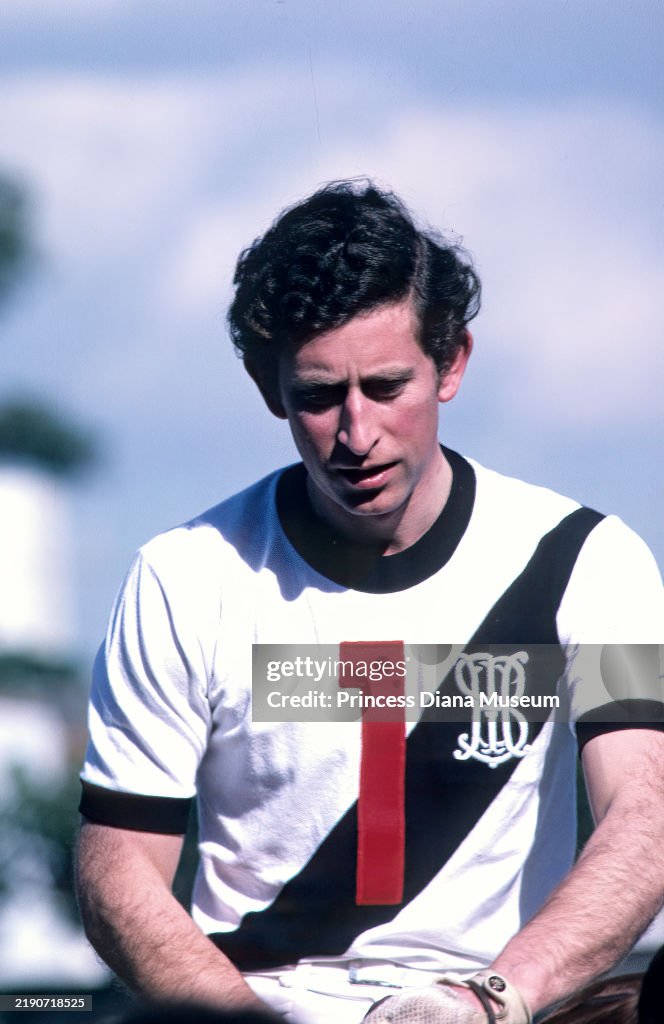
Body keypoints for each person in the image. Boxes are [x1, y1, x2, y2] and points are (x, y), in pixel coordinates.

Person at [76, 180, 664, 1024]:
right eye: (319, 396)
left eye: (387, 387)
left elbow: (647, 814)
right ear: (267, 385)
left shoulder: (594, 561)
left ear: (452, 362)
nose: (357, 434)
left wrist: (488, 1000)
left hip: (509, 1006)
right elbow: (119, 869)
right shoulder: (180, 577)